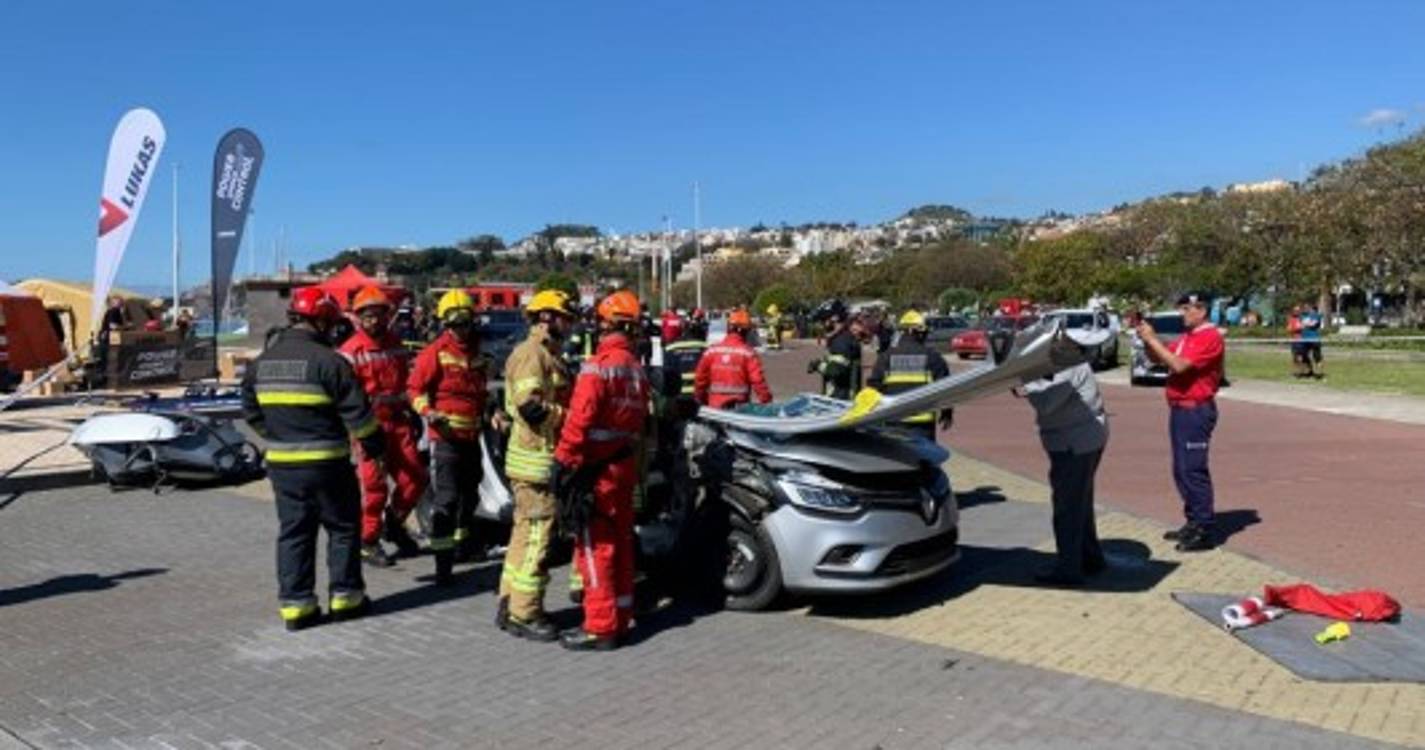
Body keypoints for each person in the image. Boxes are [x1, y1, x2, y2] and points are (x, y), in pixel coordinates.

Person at [240, 287, 383, 631]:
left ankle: (297, 608)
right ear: (321, 321)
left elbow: (251, 413)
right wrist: (375, 447)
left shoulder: (261, 364)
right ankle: (346, 599)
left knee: (294, 533)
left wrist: (279, 435)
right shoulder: (331, 362)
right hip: (329, 464)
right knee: (343, 529)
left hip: (284, 468)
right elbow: (360, 417)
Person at [552, 289, 651, 651]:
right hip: (623, 464)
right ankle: (621, 617)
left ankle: (600, 625)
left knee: (595, 547)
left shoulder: (598, 366)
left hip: (595, 469)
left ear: (605, 325)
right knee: (622, 541)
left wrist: (563, 461)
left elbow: (580, 420)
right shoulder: (636, 369)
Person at [496, 289, 577, 642]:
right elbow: (531, 407)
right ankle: (525, 613)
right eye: (564, 316)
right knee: (536, 539)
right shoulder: (532, 355)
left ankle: (509, 601)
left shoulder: (546, 354)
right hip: (535, 463)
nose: (569, 323)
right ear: (546, 317)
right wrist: (572, 418)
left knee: (522, 534)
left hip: (533, 461)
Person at [338, 286, 428, 568]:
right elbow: (344, 395)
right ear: (358, 318)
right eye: (368, 316)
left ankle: (394, 523)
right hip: (369, 426)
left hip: (399, 421)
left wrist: (413, 412)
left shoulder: (396, 344)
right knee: (375, 487)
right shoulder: (350, 352)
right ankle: (368, 541)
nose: (374, 320)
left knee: (416, 479)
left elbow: (406, 383)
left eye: (379, 315)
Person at [1013, 330, 1111, 586]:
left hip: (1074, 444)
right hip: (1083, 440)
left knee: (1067, 508)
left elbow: (1047, 403)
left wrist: (1027, 384)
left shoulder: (1071, 366)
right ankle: (1090, 558)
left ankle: (1069, 569)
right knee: (1081, 502)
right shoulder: (1071, 362)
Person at [408, 289, 489, 584]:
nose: (462, 330)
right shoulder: (435, 353)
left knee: (470, 497)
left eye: (466, 323)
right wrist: (428, 412)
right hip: (446, 440)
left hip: (472, 438)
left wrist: (492, 414)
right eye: (455, 324)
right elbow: (414, 390)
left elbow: (480, 394)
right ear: (446, 324)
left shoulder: (478, 353)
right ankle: (443, 565)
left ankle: (463, 548)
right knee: (447, 499)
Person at [1135, 292, 1225, 552]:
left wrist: (1153, 338)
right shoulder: (1189, 337)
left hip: (1196, 409)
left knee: (1193, 469)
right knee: (1181, 469)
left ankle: (1205, 527)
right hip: (1180, 408)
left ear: (1202, 311)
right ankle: (1193, 519)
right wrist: (1148, 341)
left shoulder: (1209, 337)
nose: (1182, 314)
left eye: (1187, 309)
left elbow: (1180, 366)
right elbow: (1160, 359)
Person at [866, 310, 953, 441]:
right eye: (923, 333)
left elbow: (873, 387)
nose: (925, 336)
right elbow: (945, 388)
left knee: (896, 460)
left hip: (892, 420)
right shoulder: (933, 357)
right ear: (913, 331)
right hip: (923, 424)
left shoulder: (886, 357)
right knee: (924, 459)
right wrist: (947, 414)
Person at [694, 307, 772, 410]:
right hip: (740, 408)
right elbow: (758, 380)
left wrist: (700, 399)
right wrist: (766, 400)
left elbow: (700, 379)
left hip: (715, 408)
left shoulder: (711, 351)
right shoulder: (748, 353)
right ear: (744, 331)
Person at [809, 299, 862, 399]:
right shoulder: (842, 338)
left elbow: (836, 370)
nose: (821, 325)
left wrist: (818, 365)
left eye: (823, 320)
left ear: (834, 318)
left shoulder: (841, 341)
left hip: (842, 400)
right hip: (841, 396)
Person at [662, 314, 708, 401]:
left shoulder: (670, 349)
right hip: (699, 397)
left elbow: (666, 378)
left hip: (677, 398)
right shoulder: (706, 349)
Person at [1300, 304, 1324, 379]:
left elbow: (1313, 324)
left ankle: (1319, 374)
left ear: (1311, 308)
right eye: (1304, 308)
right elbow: (1301, 325)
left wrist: (1306, 324)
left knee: (1317, 357)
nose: (1305, 309)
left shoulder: (1316, 315)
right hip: (1304, 339)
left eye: (1307, 307)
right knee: (1304, 357)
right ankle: (1310, 372)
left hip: (1314, 339)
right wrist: (1306, 324)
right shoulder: (1302, 316)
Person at [1287, 304, 1305, 377]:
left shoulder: (1302, 318)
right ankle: (1295, 372)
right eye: (1295, 310)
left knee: (1300, 357)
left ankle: (1301, 372)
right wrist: (1293, 328)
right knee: (1294, 357)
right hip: (1293, 340)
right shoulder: (1291, 319)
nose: (1296, 312)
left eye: (1297, 310)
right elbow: (1289, 329)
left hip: (1300, 340)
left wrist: (1295, 328)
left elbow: (1301, 328)